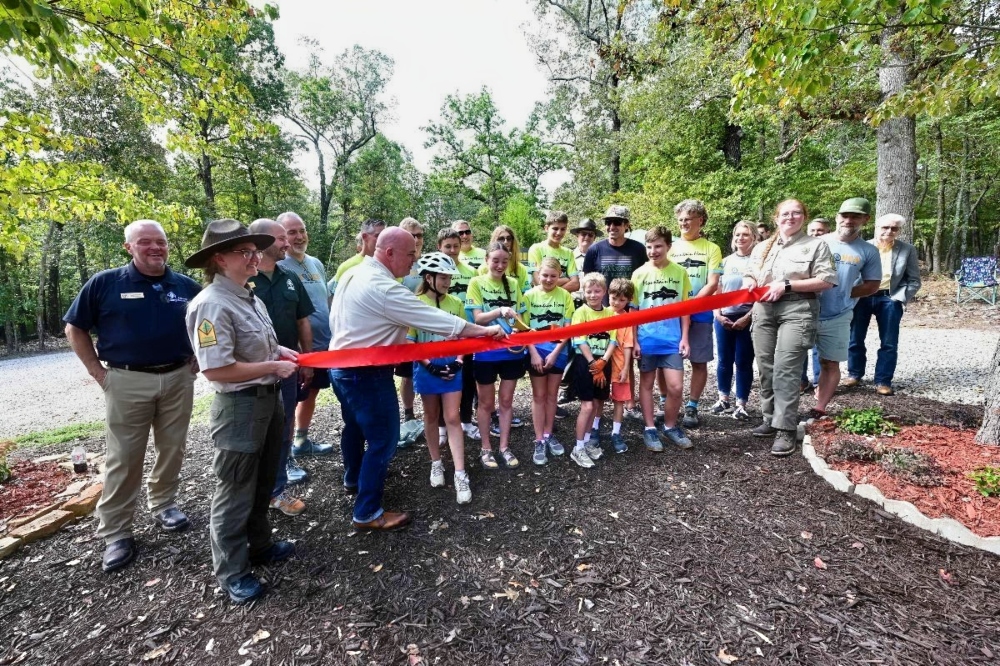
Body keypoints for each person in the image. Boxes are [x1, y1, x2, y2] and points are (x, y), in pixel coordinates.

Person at [329, 227, 503, 530]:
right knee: (384, 439)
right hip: (366, 373)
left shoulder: (353, 274)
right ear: (390, 253)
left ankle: (354, 478)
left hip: (341, 365)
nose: (415, 261)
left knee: (355, 428)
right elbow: (438, 320)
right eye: (411, 254)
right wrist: (484, 332)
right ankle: (367, 511)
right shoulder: (385, 288)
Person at [64, 220, 201, 573]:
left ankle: (164, 504)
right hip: (125, 379)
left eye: (161, 242)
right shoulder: (105, 283)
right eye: (145, 242)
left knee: (173, 447)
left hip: (177, 377)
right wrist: (98, 372)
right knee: (124, 457)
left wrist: (201, 357)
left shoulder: (185, 286)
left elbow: (207, 324)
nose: (155, 248)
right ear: (129, 247)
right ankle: (117, 532)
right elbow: (74, 327)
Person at [184, 219, 300, 604]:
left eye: (255, 251)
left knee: (264, 480)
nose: (254, 257)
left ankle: (260, 545)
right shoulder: (210, 304)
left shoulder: (249, 296)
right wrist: (272, 367)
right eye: (244, 252)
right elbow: (216, 368)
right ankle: (233, 572)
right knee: (235, 490)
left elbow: (253, 347)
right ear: (220, 259)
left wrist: (278, 352)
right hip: (239, 408)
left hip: (267, 402)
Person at [742, 200, 837, 456]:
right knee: (765, 366)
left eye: (796, 213)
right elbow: (751, 273)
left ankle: (786, 428)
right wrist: (750, 281)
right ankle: (769, 418)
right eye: (785, 213)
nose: (790, 217)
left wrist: (786, 285)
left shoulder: (816, 244)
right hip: (763, 309)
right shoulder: (762, 247)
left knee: (786, 368)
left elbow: (826, 280)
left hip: (797, 309)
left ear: (804, 217)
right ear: (776, 218)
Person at [245, 219, 315, 518]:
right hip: (251, 373)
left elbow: (302, 320)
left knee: (283, 428)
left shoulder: (289, 277)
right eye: (280, 238)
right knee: (252, 434)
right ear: (260, 241)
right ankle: (250, 494)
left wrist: (307, 360)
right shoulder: (242, 281)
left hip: (287, 368)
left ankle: (276, 490)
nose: (287, 243)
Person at [408, 253, 473, 505]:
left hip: (453, 364)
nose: (447, 281)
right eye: (443, 277)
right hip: (426, 366)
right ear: (429, 277)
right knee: (431, 416)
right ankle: (436, 463)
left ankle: (460, 473)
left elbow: (464, 338)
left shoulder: (456, 302)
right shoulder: (414, 302)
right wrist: (430, 367)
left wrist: (458, 361)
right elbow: (410, 341)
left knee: (453, 416)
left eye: (449, 277)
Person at [810, 199, 881, 418]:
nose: (849, 220)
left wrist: (845, 292)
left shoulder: (868, 251)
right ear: (837, 217)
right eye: (845, 215)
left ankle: (819, 408)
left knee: (830, 361)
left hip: (838, 315)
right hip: (804, 309)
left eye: (856, 216)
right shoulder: (817, 242)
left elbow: (872, 284)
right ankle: (784, 407)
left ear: (865, 220)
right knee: (791, 359)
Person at [276, 211, 336, 459]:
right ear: (281, 237)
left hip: (325, 346)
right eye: (292, 232)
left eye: (301, 230)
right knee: (289, 401)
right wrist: (302, 348)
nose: (299, 236)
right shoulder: (279, 267)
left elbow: (325, 301)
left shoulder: (316, 263)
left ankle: (301, 440)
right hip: (298, 349)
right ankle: (285, 454)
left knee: (311, 392)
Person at [466, 242, 529, 469]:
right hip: (485, 353)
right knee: (485, 403)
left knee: (506, 401)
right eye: (495, 260)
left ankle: (504, 446)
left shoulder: (513, 284)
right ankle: (485, 448)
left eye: (504, 261)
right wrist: (500, 311)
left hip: (511, 353)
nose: (500, 265)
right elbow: (477, 319)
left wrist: (520, 332)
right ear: (486, 260)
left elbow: (520, 319)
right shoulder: (476, 283)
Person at [846, 213, 922, 395]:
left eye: (894, 228)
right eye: (885, 227)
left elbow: (914, 280)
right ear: (876, 227)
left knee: (889, 342)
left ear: (899, 231)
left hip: (889, 298)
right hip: (862, 297)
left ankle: (883, 380)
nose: (889, 231)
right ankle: (854, 374)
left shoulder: (907, 249)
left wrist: (899, 298)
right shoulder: (861, 247)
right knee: (855, 338)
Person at [632, 226, 693, 451]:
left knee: (675, 387)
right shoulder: (639, 273)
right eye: (649, 247)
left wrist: (685, 338)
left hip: (672, 340)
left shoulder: (680, 273)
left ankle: (669, 426)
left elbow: (686, 309)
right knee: (646, 385)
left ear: (668, 246)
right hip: (646, 339)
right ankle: (649, 428)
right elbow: (634, 310)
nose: (653, 251)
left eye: (658, 246)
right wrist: (635, 340)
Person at [668, 200, 722, 428]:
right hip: (671, 314)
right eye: (680, 219)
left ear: (700, 220)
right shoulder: (670, 247)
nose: (683, 223)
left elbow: (712, 284)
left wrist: (690, 306)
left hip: (700, 313)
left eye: (688, 219)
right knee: (666, 360)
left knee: (699, 361)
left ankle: (692, 406)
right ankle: (666, 402)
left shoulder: (712, 248)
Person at [524, 257, 575, 465]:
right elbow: (523, 328)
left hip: (558, 351)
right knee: (539, 395)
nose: (548, 279)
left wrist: (556, 352)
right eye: (545, 275)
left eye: (553, 276)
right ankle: (538, 439)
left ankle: (548, 433)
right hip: (535, 350)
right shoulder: (529, 296)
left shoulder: (565, 296)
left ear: (560, 275)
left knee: (552, 395)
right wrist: (534, 353)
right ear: (538, 273)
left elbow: (569, 329)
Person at [568, 272, 617, 468]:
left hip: (603, 362)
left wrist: (603, 362)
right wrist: (593, 365)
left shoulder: (610, 314)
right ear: (584, 292)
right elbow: (580, 340)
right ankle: (578, 448)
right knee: (587, 406)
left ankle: (587, 441)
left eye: (597, 291)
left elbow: (613, 339)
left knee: (597, 405)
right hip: (585, 362)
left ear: (604, 292)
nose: (593, 295)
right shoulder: (580, 313)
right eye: (589, 291)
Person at [437, 227, 481, 440]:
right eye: (448, 246)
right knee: (441, 377)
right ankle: (442, 425)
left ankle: (465, 420)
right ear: (439, 247)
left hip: (467, 333)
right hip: (440, 334)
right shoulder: (432, 271)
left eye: (456, 246)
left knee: (467, 378)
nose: (452, 250)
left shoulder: (471, 272)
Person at [711, 221, 757, 421]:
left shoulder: (758, 263)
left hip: (748, 317)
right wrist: (718, 315)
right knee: (724, 360)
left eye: (745, 234)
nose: (741, 238)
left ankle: (741, 404)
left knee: (744, 362)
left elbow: (761, 295)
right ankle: (723, 398)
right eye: (737, 234)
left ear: (754, 237)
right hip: (724, 317)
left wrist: (748, 317)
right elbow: (716, 290)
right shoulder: (726, 261)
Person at [582, 205, 647, 305]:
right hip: (603, 310)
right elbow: (587, 284)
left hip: (632, 309)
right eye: (608, 222)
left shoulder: (639, 249)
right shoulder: (594, 250)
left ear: (626, 225)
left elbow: (645, 279)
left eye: (617, 223)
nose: (612, 227)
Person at [396, 217, 426, 422]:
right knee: (407, 374)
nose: (416, 239)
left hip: (426, 326)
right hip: (404, 328)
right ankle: (408, 412)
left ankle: (430, 412)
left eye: (419, 235)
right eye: (411, 235)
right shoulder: (395, 264)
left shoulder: (429, 261)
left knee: (427, 369)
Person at [607, 278, 636, 454]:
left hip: (619, 365)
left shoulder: (627, 319)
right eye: (614, 298)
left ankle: (616, 433)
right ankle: (594, 429)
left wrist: (626, 368)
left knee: (619, 400)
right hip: (602, 365)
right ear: (608, 295)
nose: (617, 303)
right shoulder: (601, 314)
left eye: (622, 300)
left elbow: (627, 344)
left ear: (629, 300)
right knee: (599, 399)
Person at [800, 218, 830, 391]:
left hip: (828, 306)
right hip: (803, 304)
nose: (816, 234)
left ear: (827, 232)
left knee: (820, 346)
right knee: (801, 343)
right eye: (812, 231)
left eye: (820, 231)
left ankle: (820, 382)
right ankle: (801, 381)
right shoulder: (801, 250)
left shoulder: (830, 251)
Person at [327, 219, 385, 297]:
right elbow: (335, 297)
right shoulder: (347, 266)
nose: (383, 240)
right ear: (365, 237)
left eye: (385, 236)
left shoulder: (389, 265)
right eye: (378, 236)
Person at [528, 211, 580, 292]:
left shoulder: (568, 253)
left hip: (562, 303)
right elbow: (539, 282)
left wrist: (556, 294)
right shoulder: (536, 249)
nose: (559, 233)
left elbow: (576, 284)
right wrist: (565, 280)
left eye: (563, 229)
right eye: (555, 228)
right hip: (540, 302)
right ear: (546, 228)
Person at [477, 225, 531, 293]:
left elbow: (525, 293)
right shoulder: (484, 269)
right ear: (494, 240)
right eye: (501, 238)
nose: (506, 241)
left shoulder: (521, 268)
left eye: (509, 238)